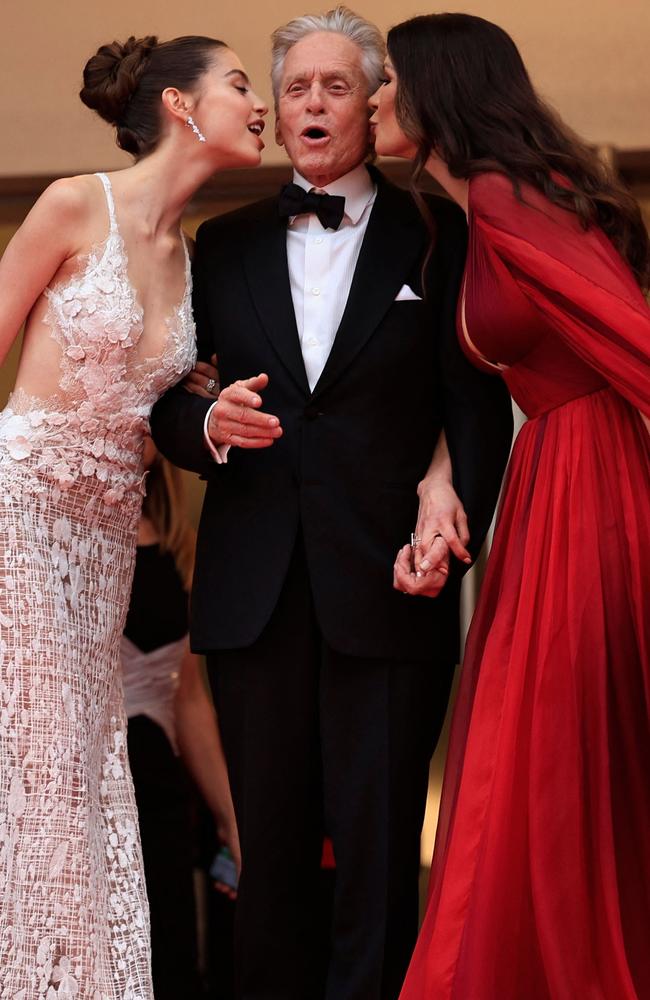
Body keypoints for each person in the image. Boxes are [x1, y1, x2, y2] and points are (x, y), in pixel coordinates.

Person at [150, 8, 513, 999]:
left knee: (383, 851)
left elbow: (474, 408)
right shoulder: (214, 247)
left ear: (374, 104)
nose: (312, 102)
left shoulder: (439, 236)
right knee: (262, 854)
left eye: (336, 85)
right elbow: (166, 406)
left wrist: (454, 526)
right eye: (296, 87)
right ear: (277, 105)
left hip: (391, 584)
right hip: (251, 592)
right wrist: (206, 427)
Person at [369, 12, 650, 999]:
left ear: (434, 91)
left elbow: (631, 339)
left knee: (558, 753)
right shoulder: (476, 208)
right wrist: (444, 478)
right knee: (535, 752)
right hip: (548, 480)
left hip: (591, 487)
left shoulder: (508, 198)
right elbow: (509, 374)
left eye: (384, 81)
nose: (370, 100)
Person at [0, 34, 267, 998]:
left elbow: (163, 408)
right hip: (22, 514)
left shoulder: (192, 259)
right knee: (43, 772)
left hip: (109, 538)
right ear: (182, 107)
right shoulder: (76, 203)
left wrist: (207, 407)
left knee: (86, 770)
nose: (261, 101)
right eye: (241, 84)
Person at [123, 437, 240, 998]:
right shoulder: (48, 527)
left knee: (169, 960)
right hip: (79, 790)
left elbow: (189, 700)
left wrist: (230, 821)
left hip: (160, 790)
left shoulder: (178, 546)